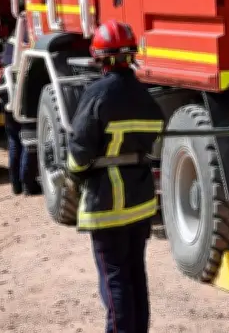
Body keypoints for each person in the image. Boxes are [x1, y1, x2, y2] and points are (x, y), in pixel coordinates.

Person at [64, 20, 164, 333]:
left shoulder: (96, 94)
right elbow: (154, 143)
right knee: (135, 274)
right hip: (141, 201)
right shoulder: (146, 96)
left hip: (107, 203)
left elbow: (79, 150)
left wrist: (73, 175)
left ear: (99, 58)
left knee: (115, 279)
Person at [0, 35, 41, 195]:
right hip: (23, 92)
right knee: (28, 138)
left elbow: (4, 63)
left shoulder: (14, 39)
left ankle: (16, 185)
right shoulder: (32, 36)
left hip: (8, 90)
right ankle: (28, 184)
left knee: (14, 139)